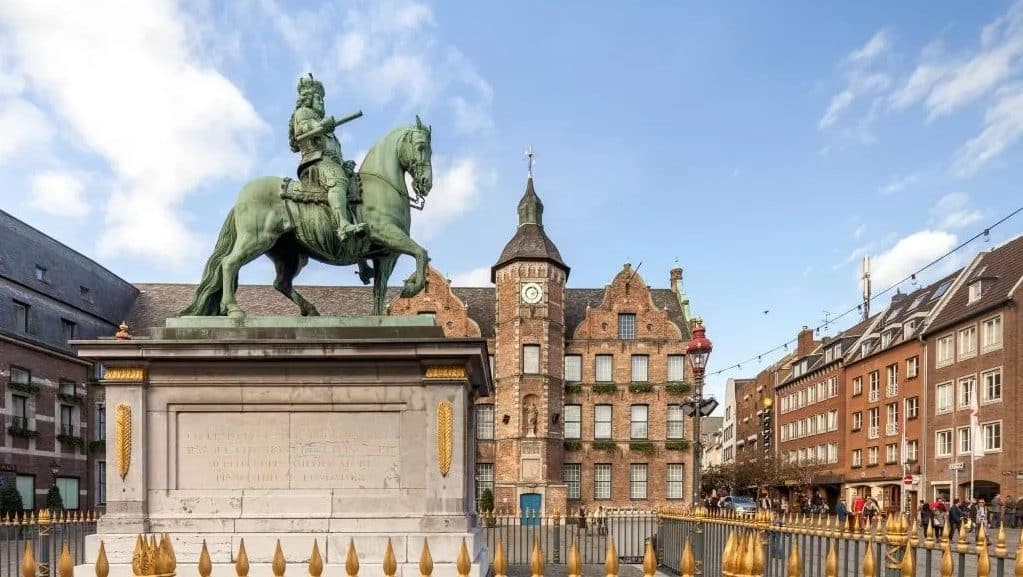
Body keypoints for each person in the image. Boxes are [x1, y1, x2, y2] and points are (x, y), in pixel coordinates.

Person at [288, 73, 367, 243]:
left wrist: (343, 163)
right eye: (318, 98)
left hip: (329, 161)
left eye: (323, 99)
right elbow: (303, 129)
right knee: (338, 181)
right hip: (314, 161)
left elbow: (333, 151)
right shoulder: (303, 112)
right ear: (308, 99)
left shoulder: (322, 121)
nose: (322, 102)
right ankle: (343, 226)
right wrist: (320, 126)